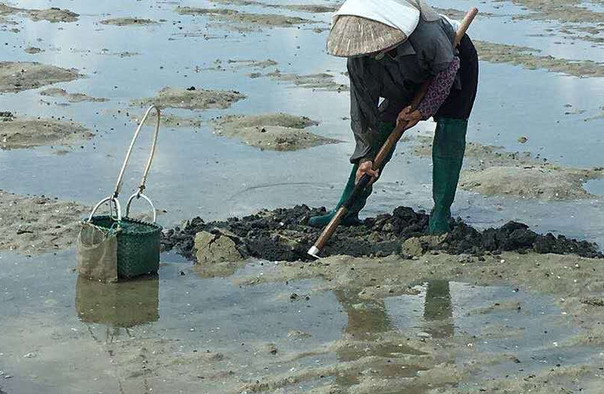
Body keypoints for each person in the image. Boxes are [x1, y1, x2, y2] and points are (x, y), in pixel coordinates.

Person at [308, 0, 479, 235]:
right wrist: (365, 156)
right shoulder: (361, 58)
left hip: (452, 62)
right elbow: (363, 111)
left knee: (450, 130)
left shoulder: (428, 34)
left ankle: (441, 212)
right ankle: (347, 209)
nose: (370, 51)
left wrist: (423, 110)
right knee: (381, 131)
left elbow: (447, 71)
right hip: (403, 73)